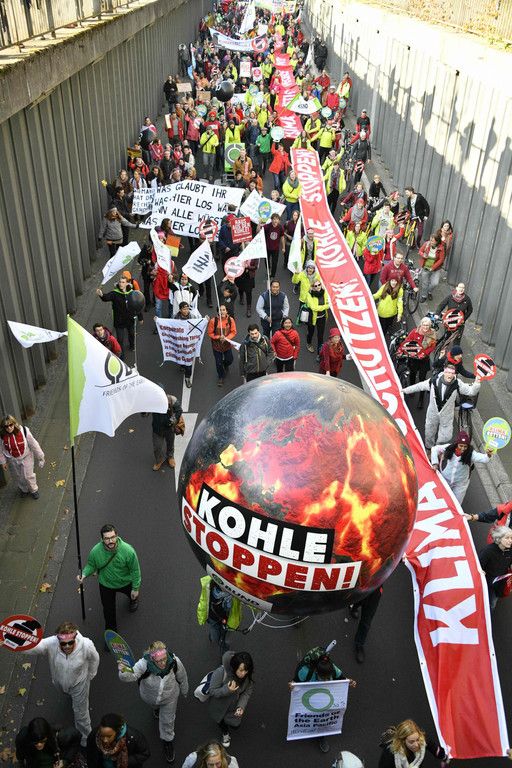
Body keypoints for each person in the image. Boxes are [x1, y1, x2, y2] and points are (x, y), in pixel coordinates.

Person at [24, 621, 98, 747]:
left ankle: (86, 739)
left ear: (75, 638)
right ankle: (69, 695)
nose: (67, 646)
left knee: (81, 714)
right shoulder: (52, 643)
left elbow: (95, 659)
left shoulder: (86, 645)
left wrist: (90, 675)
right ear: (58, 640)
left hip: (79, 684)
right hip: (59, 682)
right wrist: (13, 645)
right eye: (63, 643)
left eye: (70, 643)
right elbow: (36, 647)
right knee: (65, 693)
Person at [118, 641, 188, 763]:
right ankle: (156, 709)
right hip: (149, 697)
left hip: (170, 697)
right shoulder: (143, 664)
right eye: (159, 661)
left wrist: (184, 690)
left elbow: (182, 676)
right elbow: (131, 676)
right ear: (152, 659)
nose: (163, 663)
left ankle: (167, 741)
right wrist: (124, 671)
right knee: (155, 706)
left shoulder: (174, 661)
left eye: (164, 659)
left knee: (167, 721)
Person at [77, 524, 141, 632]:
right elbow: (91, 565)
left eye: (112, 537)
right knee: (108, 611)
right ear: (102, 539)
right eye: (107, 538)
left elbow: (135, 570)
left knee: (132, 595)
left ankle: (133, 600)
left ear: (117, 536)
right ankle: (111, 631)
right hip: (106, 585)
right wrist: (83, 574)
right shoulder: (95, 551)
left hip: (125, 582)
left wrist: (135, 588)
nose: (110, 541)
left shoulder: (128, 551)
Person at [292, 648, 356, 753]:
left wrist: (350, 682)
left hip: (324, 700)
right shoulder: (304, 672)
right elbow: (295, 684)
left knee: (323, 718)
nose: (326, 681)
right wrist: (291, 686)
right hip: (310, 699)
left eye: (328, 677)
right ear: (316, 671)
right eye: (323, 677)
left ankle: (321, 736)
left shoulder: (333, 669)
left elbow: (342, 679)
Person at [402, 363, 481, 448]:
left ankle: (438, 449)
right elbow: (419, 386)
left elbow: (471, 391)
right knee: (429, 431)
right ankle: (429, 448)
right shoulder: (433, 381)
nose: (450, 375)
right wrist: (404, 391)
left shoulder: (458, 384)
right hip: (432, 413)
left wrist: (477, 382)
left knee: (445, 436)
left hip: (447, 416)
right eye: (448, 372)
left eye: (452, 373)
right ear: (444, 372)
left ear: (454, 374)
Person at [208, 651, 254, 748]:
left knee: (235, 725)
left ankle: (226, 729)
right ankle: (225, 734)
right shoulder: (221, 672)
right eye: (241, 670)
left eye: (246, 670)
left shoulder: (247, 677)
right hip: (219, 706)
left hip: (233, 707)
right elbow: (212, 691)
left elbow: (246, 693)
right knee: (221, 722)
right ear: (234, 666)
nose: (244, 673)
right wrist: (227, 690)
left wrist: (240, 706)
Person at [431, 431, 492, 504]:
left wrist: (488, 455)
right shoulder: (449, 447)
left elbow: (484, 459)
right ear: (457, 444)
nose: (463, 448)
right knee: (439, 498)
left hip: (460, 483)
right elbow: (435, 449)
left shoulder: (471, 454)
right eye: (461, 446)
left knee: (456, 504)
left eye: (465, 446)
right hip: (446, 478)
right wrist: (435, 463)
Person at [96, 275, 143, 358]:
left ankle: (132, 345)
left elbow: (136, 305)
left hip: (129, 319)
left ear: (127, 283)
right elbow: (106, 297)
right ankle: (121, 356)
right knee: (120, 340)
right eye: (120, 282)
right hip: (119, 321)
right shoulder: (115, 293)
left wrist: (140, 318)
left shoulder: (132, 293)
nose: (121, 284)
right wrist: (101, 294)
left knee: (131, 334)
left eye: (123, 282)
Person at [0, 415, 44, 499]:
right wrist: (3, 462)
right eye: (6, 426)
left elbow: (33, 444)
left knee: (28, 475)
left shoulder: (24, 431)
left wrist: (40, 456)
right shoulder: (2, 436)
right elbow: (1, 450)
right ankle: (24, 489)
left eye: (11, 425)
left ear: (14, 423)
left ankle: (34, 490)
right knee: (18, 476)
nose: (9, 428)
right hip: (13, 459)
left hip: (26, 456)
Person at [197, 575, 242, 657]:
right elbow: (203, 600)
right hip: (213, 618)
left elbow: (250, 599)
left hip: (230, 621)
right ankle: (213, 637)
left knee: (226, 641)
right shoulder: (208, 584)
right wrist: (202, 615)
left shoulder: (237, 589)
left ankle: (225, 656)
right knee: (215, 638)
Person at [397, 318, 437, 408]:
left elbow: (432, 346)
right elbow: (407, 341)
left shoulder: (432, 334)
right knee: (412, 375)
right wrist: (401, 350)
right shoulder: (414, 332)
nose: (425, 327)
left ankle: (421, 400)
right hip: (414, 359)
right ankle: (412, 390)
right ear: (420, 325)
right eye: (424, 325)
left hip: (423, 360)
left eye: (427, 325)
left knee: (422, 380)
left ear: (430, 326)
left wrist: (424, 353)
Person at [16, 717, 82, 768]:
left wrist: (66, 761)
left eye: (43, 741)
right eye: (35, 742)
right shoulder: (22, 738)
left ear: (47, 735)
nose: (39, 745)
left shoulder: (60, 735)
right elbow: (20, 755)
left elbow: (76, 737)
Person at [378, 719, 447, 767]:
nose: (416, 745)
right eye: (411, 742)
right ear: (403, 741)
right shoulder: (390, 752)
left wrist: (444, 758)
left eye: (417, 740)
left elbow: (437, 750)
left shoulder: (422, 739)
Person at [479, 527, 512, 611]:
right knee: (487, 604)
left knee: (492, 604)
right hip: (488, 584)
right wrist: (480, 571)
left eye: (511, 538)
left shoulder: (510, 550)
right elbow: (478, 567)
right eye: (507, 538)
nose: (510, 541)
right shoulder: (488, 551)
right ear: (499, 538)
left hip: (500, 584)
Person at [349, 588, 382, 664]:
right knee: (357, 600)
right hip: (362, 585)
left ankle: (359, 643)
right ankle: (354, 608)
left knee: (366, 621)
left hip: (375, 590)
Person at [151, 393, 183, 470]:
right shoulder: (151, 402)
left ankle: (170, 457)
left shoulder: (172, 399)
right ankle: (159, 461)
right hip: (157, 429)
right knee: (157, 447)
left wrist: (171, 421)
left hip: (169, 428)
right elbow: (145, 415)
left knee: (170, 444)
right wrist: (143, 412)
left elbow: (178, 411)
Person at [207, 307, 237, 386]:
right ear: (218, 312)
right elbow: (210, 333)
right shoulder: (213, 321)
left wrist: (226, 338)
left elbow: (233, 332)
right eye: (220, 310)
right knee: (218, 363)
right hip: (217, 346)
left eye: (224, 310)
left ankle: (225, 365)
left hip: (227, 345)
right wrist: (218, 337)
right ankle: (221, 377)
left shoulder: (231, 320)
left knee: (230, 360)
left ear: (227, 311)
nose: (222, 311)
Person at [305, 279, 329, 355]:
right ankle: (309, 343)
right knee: (310, 333)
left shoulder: (324, 292)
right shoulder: (309, 295)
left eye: (319, 285)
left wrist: (326, 305)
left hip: (322, 317)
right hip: (312, 318)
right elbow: (314, 308)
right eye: (315, 286)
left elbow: (328, 301)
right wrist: (326, 306)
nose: (318, 287)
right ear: (312, 287)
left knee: (320, 336)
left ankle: (319, 354)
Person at [418, 233, 445, 302]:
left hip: (436, 269)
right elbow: (420, 251)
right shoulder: (426, 244)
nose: (431, 242)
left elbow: (441, 260)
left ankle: (429, 291)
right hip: (425, 267)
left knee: (435, 283)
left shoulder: (441, 248)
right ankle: (424, 295)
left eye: (433, 241)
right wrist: (423, 255)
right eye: (430, 240)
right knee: (425, 283)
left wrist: (433, 267)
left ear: (437, 241)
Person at [263, 213, 285, 278]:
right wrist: (259, 225)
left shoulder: (280, 227)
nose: (275, 220)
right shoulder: (267, 226)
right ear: (271, 220)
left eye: (277, 219)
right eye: (274, 219)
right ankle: (268, 269)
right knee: (266, 261)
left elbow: (282, 237)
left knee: (275, 262)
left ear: (279, 220)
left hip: (275, 249)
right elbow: (258, 231)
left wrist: (283, 247)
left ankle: (273, 275)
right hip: (267, 247)